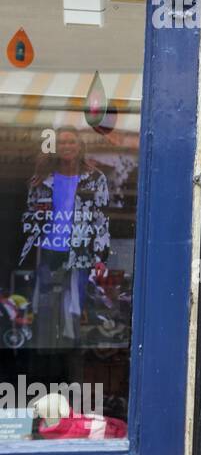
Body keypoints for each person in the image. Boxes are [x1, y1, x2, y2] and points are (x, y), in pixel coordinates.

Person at [20, 127, 111, 350]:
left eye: (72, 142)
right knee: (43, 303)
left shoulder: (95, 179)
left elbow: (101, 220)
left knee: (75, 306)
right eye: (61, 143)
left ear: (80, 146)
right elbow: (29, 214)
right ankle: (41, 351)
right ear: (54, 147)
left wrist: (100, 256)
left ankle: (70, 354)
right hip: (47, 250)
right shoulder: (41, 179)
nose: (67, 147)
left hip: (80, 251)